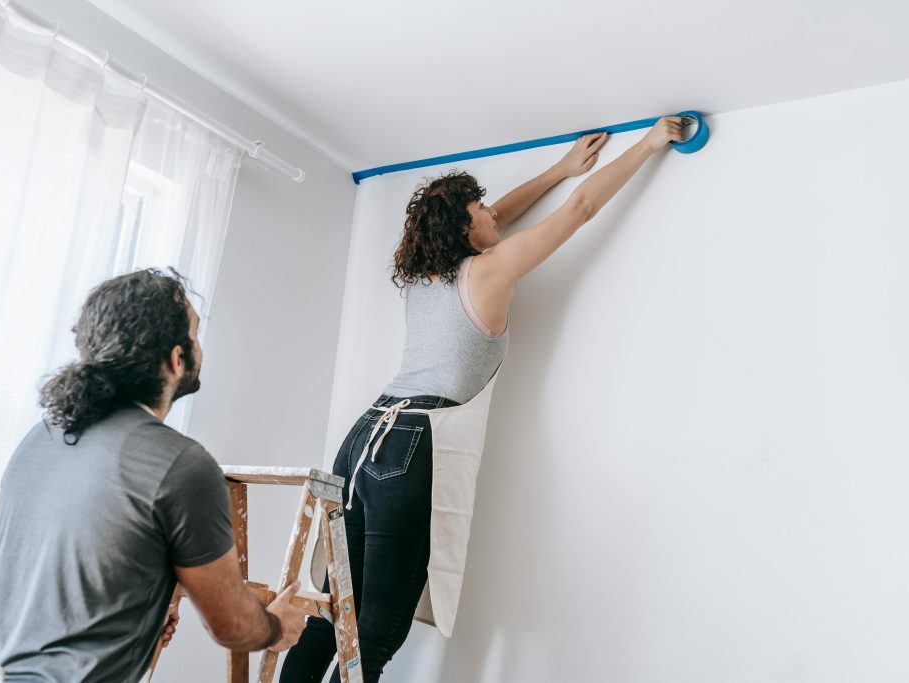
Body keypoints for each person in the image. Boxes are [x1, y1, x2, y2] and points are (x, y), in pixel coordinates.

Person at [280, 117, 685, 682]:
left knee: (331, 612)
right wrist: (650, 142)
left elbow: (505, 215)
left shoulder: (425, 276)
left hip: (361, 442)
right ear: (467, 234)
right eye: (482, 213)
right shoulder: (490, 270)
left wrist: (560, 169)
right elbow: (581, 211)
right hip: (409, 446)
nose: (494, 214)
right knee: (374, 631)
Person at [0, 268, 306, 682]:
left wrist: (137, 618)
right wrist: (276, 626)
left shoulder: (44, 436)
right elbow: (231, 624)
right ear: (177, 360)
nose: (199, 346)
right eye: (195, 335)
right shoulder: (182, 465)